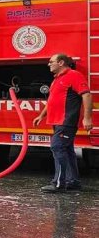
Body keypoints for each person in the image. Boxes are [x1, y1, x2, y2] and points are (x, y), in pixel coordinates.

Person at [34, 53, 93, 192]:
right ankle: (73, 182)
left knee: (57, 147)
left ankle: (59, 184)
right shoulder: (57, 79)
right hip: (57, 121)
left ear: (61, 63)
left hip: (66, 120)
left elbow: (87, 95)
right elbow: (52, 101)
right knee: (67, 150)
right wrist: (41, 115)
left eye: (51, 61)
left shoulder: (74, 75)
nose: (49, 64)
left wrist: (87, 117)